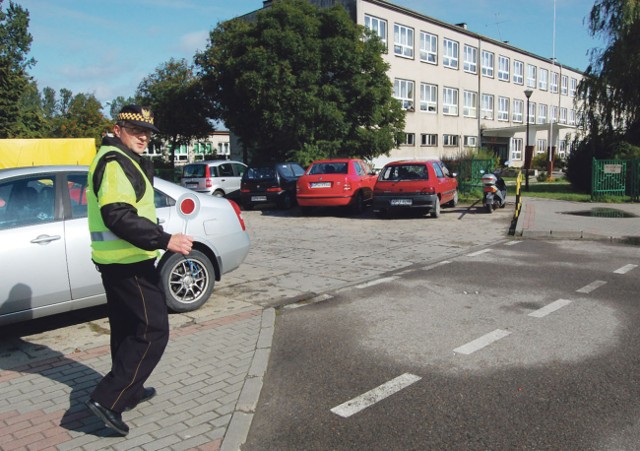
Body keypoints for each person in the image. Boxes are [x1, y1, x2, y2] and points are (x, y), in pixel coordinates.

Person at [85, 105, 193, 436]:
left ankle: (129, 390)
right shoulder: (116, 162)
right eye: (136, 130)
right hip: (129, 262)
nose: (144, 137)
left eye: (147, 132)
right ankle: (109, 399)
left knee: (127, 328)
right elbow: (117, 215)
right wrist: (163, 239)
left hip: (117, 260)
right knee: (153, 329)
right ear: (118, 129)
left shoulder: (117, 157)